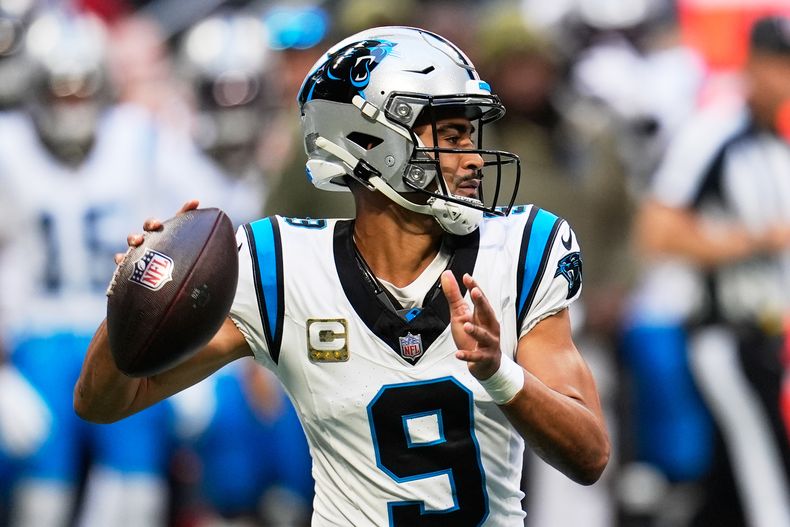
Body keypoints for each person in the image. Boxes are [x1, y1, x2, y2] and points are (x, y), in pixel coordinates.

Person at [75, 26, 610, 525]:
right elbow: (104, 402)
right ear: (371, 141)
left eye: (470, 135)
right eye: (450, 135)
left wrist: (500, 373)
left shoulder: (519, 247)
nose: (471, 159)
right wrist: (132, 304)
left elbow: (590, 455)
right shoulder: (279, 264)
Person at [634, 14, 790, 527]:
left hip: (770, 340)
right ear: (754, 64)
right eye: (780, 65)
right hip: (726, 335)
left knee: (728, 488)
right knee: (769, 484)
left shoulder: (773, 139)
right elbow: (656, 230)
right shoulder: (716, 129)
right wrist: (751, 240)